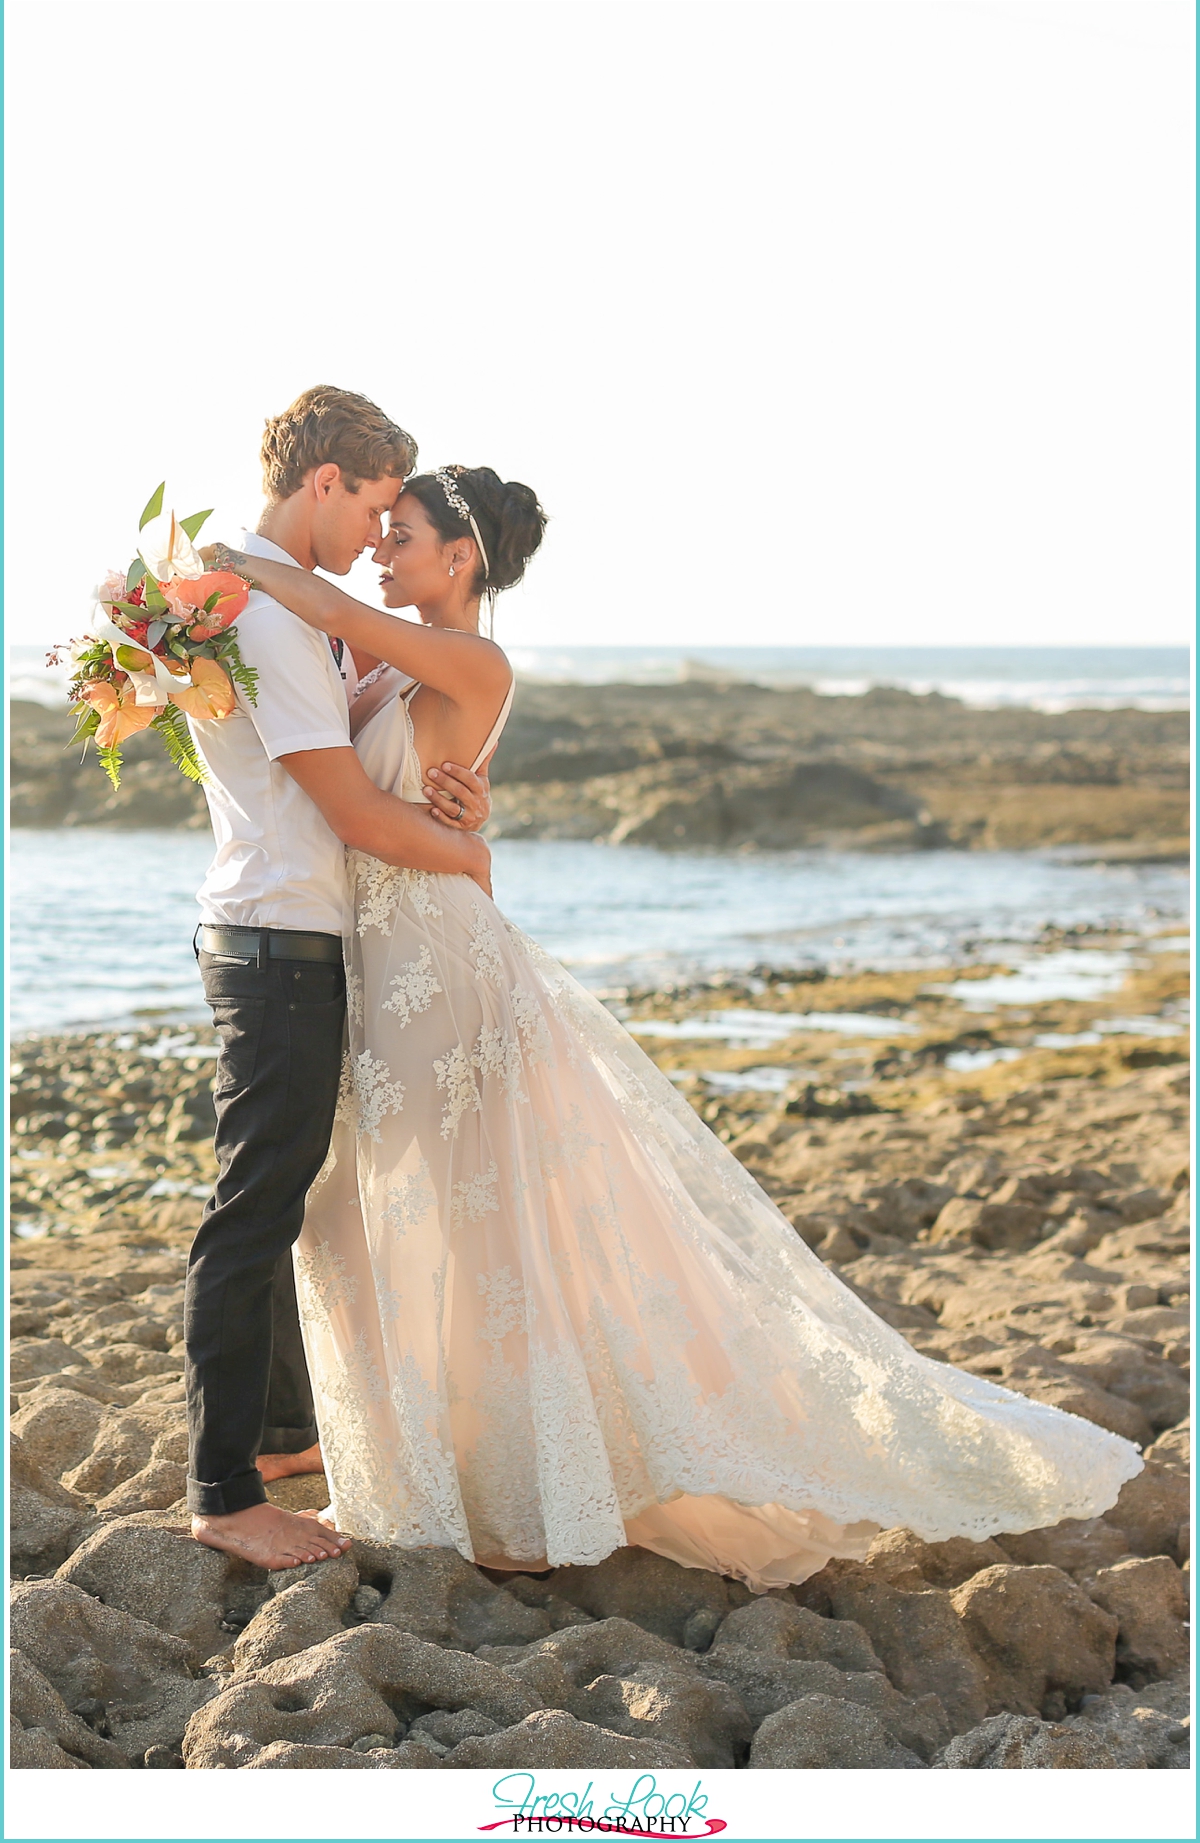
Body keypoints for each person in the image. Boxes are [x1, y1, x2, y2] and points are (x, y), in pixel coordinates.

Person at [222, 466, 1143, 1591]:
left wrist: (212, 574)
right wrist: (456, 822)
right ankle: (428, 1469)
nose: (378, 550)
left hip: (437, 967)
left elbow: (332, 618)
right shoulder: (399, 658)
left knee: (448, 1226)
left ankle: (501, 1493)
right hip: (388, 962)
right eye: (379, 531)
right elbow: (344, 718)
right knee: (372, 1216)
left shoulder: (473, 657)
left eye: (400, 534)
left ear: (460, 558)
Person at [184, 389, 495, 1573]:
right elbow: (353, 811)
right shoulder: (263, 618)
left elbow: (405, 738)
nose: (376, 532)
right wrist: (466, 851)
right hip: (279, 941)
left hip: (286, 929)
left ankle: (270, 1445)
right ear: (326, 482)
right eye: (371, 503)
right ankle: (225, 1492)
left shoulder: (272, 606)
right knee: (258, 1205)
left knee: (285, 1193)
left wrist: (455, 798)